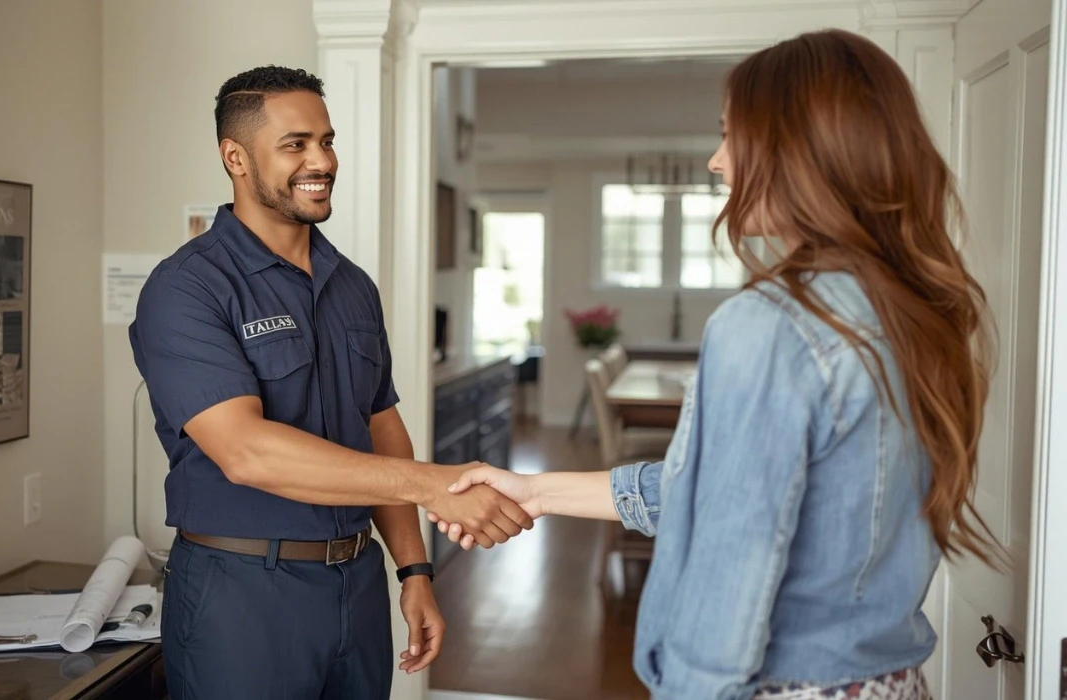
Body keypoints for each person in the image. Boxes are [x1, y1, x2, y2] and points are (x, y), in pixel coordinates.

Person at [430, 29, 996, 700]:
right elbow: (711, 492)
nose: (716, 161)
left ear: (798, 150)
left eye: (732, 135)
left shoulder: (771, 325)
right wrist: (535, 491)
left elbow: (736, 564)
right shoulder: (916, 310)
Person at [129, 66, 533, 700]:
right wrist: (436, 486)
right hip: (243, 592)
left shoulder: (353, 286)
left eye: (327, 140)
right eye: (296, 144)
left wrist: (414, 570)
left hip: (357, 583)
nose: (321, 160)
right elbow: (246, 450)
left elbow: (381, 425)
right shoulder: (187, 288)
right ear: (235, 157)